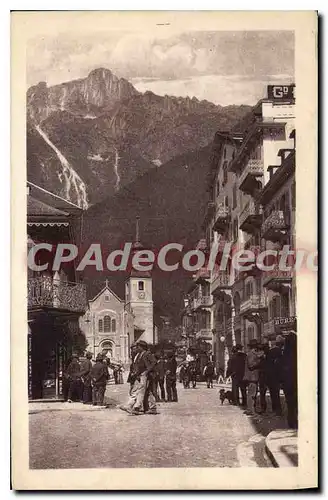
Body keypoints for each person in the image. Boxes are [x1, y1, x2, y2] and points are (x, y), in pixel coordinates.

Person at [119, 340, 153, 415]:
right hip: (139, 375)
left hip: (144, 375)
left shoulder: (147, 353)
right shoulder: (140, 354)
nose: (137, 348)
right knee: (139, 391)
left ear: (142, 347)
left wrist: (147, 371)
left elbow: (153, 363)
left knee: (140, 391)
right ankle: (134, 406)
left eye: (138, 346)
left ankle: (135, 407)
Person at [243, 339, 264, 416]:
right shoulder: (251, 354)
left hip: (253, 376)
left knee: (253, 393)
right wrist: (260, 362)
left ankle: (251, 409)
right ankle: (251, 410)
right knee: (252, 394)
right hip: (252, 377)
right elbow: (251, 365)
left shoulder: (252, 354)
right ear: (254, 347)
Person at [281, 331, 298, 429]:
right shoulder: (298, 353)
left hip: (287, 383)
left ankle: (291, 422)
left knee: (290, 405)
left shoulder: (284, 355)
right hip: (296, 382)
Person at [265, 335, 284, 415]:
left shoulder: (271, 352)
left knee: (274, 394)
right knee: (276, 394)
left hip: (272, 376)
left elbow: (267, 365)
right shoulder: (282, 351)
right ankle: (278, 410)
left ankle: (276, 410)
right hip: (280, 376)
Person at [143, 347, 158, 414]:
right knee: (147, 391)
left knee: (149, 391)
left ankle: (152, 407)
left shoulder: (147, 354)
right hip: (147, 375)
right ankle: (147, 408)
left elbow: (154, 361)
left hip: (150, 375)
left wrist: (148, 370)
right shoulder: (144, 354)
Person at [257, 339, 270, 414]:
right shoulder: (268, 357)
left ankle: (263, 408)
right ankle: (275, 409)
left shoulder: (262, 358)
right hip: (268, 376)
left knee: (262, 393)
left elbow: (259, 366)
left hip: (263, 376)